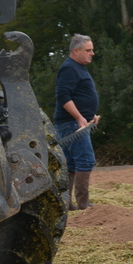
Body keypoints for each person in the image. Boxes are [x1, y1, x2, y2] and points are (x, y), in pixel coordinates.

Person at [54, 34, 100, 211]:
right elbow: (63, 96)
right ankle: (83, 203)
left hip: (76, 122)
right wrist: (79, 118)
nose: (92, 53)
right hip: (72, 124)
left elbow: (79, 95)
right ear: (76, 51)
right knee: (86, 160)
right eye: (88, 50)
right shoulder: (69, 68)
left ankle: (67, 204)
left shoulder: (78, 67)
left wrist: (89, 116)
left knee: (71, 164)